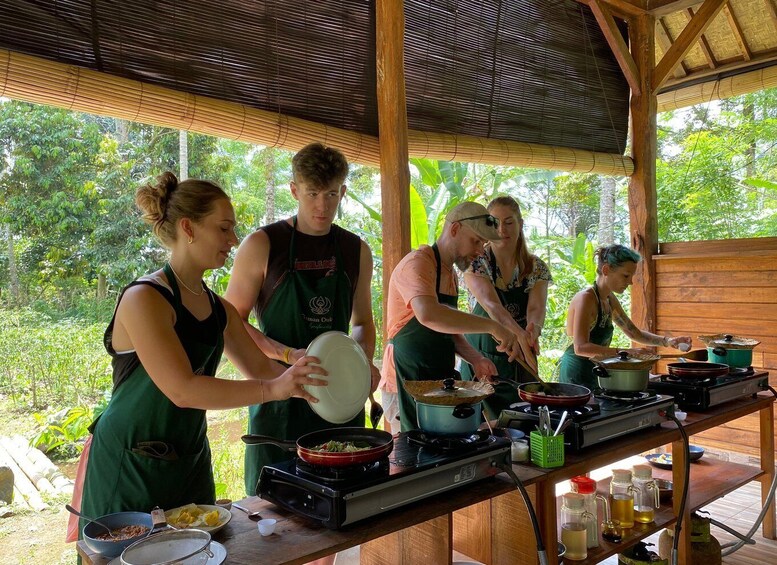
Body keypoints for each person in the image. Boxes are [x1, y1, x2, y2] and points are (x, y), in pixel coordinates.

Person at [76, 172, 325, 539]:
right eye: (224, 229)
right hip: (130, 460)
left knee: (200, 550)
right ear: (189, 228)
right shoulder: (144, 298)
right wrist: (273, 390)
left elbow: (262, 369)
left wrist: (315, 379)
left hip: (189, 456)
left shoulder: (217, 308)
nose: (234, 240)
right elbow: (184, 389)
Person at [225, 142, 381, 499]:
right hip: (279, 400)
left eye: (331, 194)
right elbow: (230, 321)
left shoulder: (356, 250)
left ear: (342, 191)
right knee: (276, 512)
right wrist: (286, 355)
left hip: (339, 399)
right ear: (294, 190)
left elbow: (361, 324)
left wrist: (363, 362)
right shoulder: (263, 244)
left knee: (340, 504)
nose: (322, 206)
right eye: (312, 193)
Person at [379, 201, 527, 433]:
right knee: (413, 455)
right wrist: (492, 327)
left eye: (483, 243)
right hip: (405, 381)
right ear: (455, 229)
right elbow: (429, 314)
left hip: (437, 382)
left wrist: (476, 359)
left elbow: (449, 331)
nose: (480, 251)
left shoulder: (450, 274)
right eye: (476, 241)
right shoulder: (418, 263)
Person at [461, 196, 552, 419]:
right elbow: (493, 306)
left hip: (521, 355)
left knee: (524, 421)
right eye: (494, 222)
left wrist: (533, 330)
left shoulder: (535, 266)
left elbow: (536, 307)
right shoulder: (476, 263)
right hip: (483, 359)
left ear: (520, 224)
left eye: (509, 222)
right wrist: (519, 334)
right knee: (487, 428)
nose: (502, 229)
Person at [559, 244, 691, 390]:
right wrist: (625, 352)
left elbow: (633, 332)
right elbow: (580, 347)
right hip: (575, 374)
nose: (630, 282)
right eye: (626, 275)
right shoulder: (586, 299)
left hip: (596, 370)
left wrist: (668, 341)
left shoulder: (609, 299)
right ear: (606, 270)